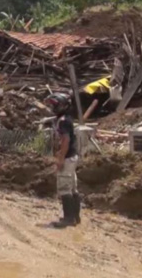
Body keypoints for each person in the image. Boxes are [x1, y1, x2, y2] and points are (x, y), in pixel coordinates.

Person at [44, 93, 81, 228]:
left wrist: (60, 158)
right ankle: (75, 217)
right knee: (72, 188)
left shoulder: (63, 120)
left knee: (65, 188)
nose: (52, 108)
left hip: (67, 157)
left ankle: (68, 218)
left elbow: (65, 140)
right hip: (72, 156)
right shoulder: (67, 118)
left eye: (54, 105)